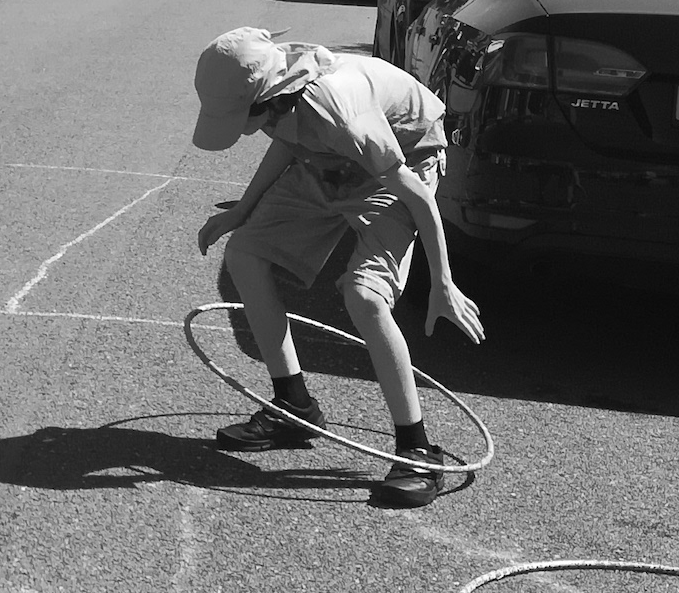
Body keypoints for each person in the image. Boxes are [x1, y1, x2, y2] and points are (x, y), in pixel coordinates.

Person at [192, 27, 483, 508]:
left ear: (264, 98)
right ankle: (293, 405)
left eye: (240, 116)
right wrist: (242, 210)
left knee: (364, 296)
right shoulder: (281, 96)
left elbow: (417, 197)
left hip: (404, 157)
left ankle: (417, 452)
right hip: (330, 159)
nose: (239, 125)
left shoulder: (339, 110)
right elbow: (290, 138)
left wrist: (444, 284)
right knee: (244, 251)